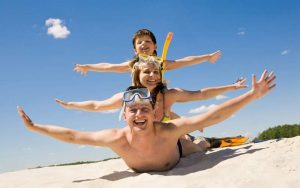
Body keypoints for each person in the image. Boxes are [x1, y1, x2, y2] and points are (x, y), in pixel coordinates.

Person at [17, 70, 276, 172]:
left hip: (175, 150)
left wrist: (252, 95)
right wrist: (34, 127)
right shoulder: (115, 138)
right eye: (133, 111)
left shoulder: (167, 129)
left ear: (153, 114)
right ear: (125, 115)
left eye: (144, 109)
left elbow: (213, 114)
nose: (139, 115)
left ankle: (205, 142)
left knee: (198, 146)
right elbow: (72, 136)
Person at [56, 56, 249, 154]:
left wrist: (233, 86)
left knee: (198, 148)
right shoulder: (128, 98)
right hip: (145, 144)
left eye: (156, 72)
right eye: (147, 72)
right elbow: (97, 106)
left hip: (169, 139)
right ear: (137, 76)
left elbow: (202, 94)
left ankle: (209, 140)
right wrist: (71, 105)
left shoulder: (168, 95)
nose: (152, 76)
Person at [73, 29, 221, 75]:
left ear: (155, 46)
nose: (144, 44)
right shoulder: (133, 64)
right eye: (139, 42)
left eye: (148, 41)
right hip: (140, 100)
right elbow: (108, 66)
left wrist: (207, 57)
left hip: (160, 99)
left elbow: (184, 61)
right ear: (135, 50)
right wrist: (88, 66)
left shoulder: (161, 63)